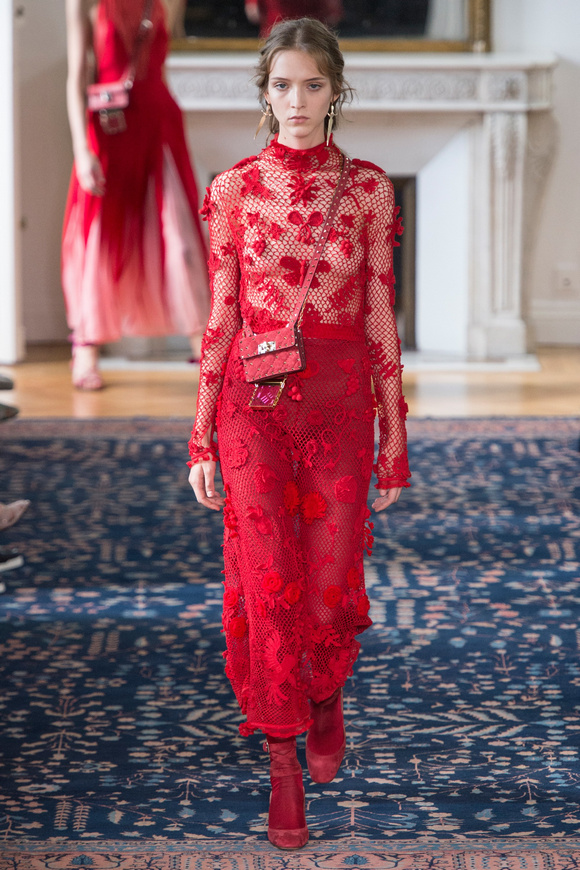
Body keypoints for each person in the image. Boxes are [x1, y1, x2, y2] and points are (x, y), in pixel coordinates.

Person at [188, 17, 410, 850]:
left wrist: (394, 439)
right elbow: (220, 318)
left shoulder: (368, 190)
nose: (296, 100)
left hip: (341, 406)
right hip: (252, 408)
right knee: (271, 584)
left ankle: (325, 693)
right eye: (282, 85)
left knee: (325, 583)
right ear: (265, 92)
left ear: (335, 91)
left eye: (312, 84)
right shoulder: (233, 189)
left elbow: (380, 315)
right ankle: (283, 762)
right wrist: (201, 436)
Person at [62, 0, 210, 390]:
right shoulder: (83, 2)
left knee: (179, 235)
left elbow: (158, 65)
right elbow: (76, 77)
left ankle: (203, 344)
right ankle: (85, 347)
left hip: (159, 123)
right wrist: (81, 150)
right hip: (108, 127)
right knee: (101, 237)